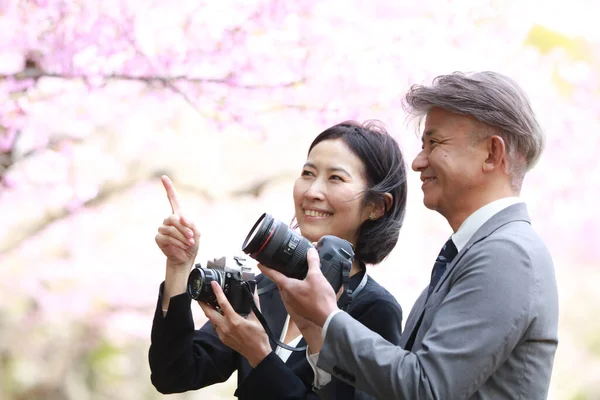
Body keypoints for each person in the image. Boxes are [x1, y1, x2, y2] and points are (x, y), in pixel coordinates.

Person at [259, 71, 559, 399]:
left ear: (491, 154)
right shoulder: (476, 251)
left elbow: (426, 388)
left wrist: (326, 318)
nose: (417, 162)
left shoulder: (507, 254)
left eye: (435, 143)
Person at [148, 121, 409, 399]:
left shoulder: (375, 309)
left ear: (376, 206)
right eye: (308, 173)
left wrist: (260, 356)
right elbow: (173, 373)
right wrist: (178, 267)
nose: (312, 191)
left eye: (336, 178)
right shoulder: (266, 287)